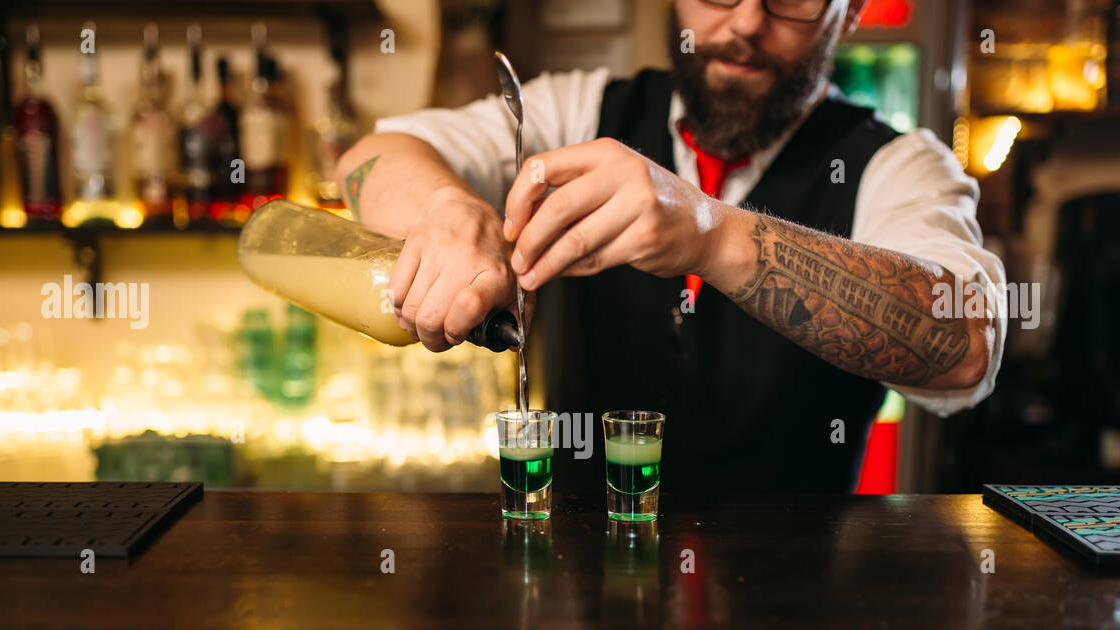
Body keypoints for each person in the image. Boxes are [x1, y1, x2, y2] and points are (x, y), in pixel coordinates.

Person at [336, 0, 1006, 495]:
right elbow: (372, 157)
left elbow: (966, 343)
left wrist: (711, 234)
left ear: (850, 12)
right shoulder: (579, 112)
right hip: (586, 618)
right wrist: (447, 209)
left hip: (795, 629)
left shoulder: (900, 166)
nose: (745, 21)